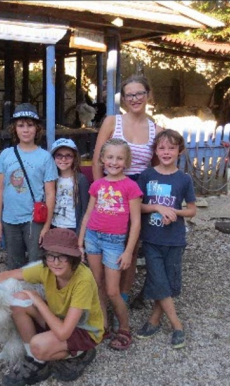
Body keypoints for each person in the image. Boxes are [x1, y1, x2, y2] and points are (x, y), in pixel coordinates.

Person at [0, 228, 104, 386]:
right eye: (51, 256)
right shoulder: (46, 268)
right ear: (45, 256)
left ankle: (82, 352)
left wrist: (38, 300)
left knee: (38, 345)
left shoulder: (83, 279)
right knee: (18, 301)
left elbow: (64, 333)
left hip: (83, 329)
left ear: (73, 258)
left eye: (63, 256)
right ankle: (35, 360)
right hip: (58, 320)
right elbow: (3, 276)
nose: (56, 262)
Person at [91, 74, 164, 308]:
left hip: (136, 192)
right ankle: (102, 296)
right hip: (109, 190)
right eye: (130, 95)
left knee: (131, 248)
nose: (135, 99)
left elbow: (156, 166)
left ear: (148, 95)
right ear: (124, 99)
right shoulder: (112, 122)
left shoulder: (157, 129)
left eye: (139, 93)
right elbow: (96, 161)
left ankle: (121, 296)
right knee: (105, 242)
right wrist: (99, 192)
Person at [78, 138, 142, 351]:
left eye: (119, 158)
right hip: (93, 237)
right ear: (103, 160)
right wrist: (80, 242)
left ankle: (124, 327)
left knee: (113, 290)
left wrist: (128, 251)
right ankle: (103, 324)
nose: (114, 162)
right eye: (110, 157)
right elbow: (88, 214)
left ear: (126, 162)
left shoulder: (130, 187)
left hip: (114, 242)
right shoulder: (97, 185)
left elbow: (136, 222)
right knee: (97, 284)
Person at [135, 129, 196, 349]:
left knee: (167, 283)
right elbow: (138, 206)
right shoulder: (147, 175)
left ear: (179, 151)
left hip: (175, 239)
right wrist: (157, 207)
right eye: (161, 147)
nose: (166, 151)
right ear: (155, 151)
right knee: (158, 279)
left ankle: (153, 320)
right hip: (151, 238)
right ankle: (177, 325)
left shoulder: (184, 179)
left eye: (171, 147)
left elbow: (191, 210)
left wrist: (174, 212)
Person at [0, 103, 58, 269]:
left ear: (37, 128)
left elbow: (50, 193)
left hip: (34, 219)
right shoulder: (6, 154)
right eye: (20, 125)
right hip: (9, 218)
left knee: (36, 264)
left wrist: (46, 226)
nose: (25, 130)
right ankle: (17, 295)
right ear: (14, 128)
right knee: (14, 263)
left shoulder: (45, 157)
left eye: (30, 125)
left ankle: (34, 295)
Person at [50, 138, 90, 235]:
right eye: (59, 155)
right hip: (53, 226)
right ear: (53, 157)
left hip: (73, 228)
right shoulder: (51, 179)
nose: (63, 159)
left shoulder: (81, 179)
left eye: (68, 156)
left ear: (74, 158)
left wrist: (80, 233)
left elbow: (85, 209)